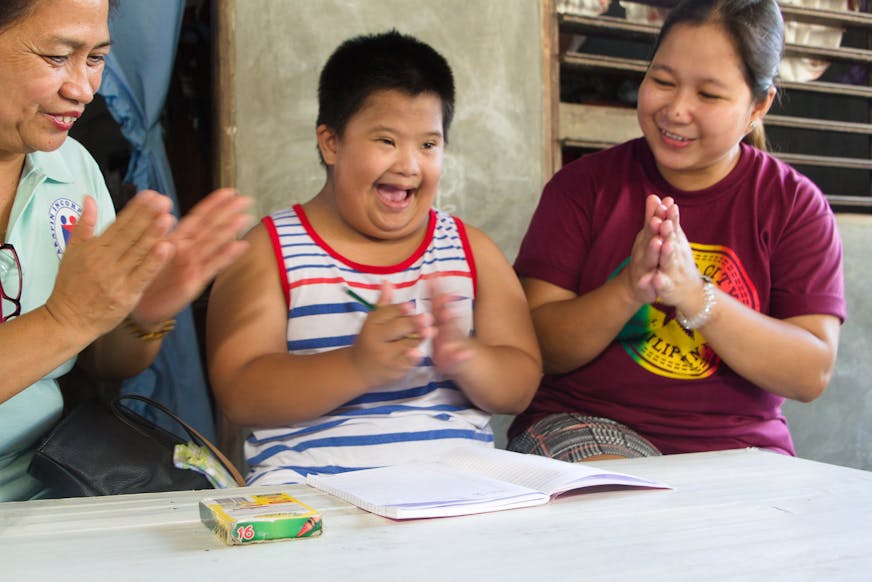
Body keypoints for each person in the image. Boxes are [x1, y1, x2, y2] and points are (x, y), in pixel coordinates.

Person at [507, 0, 845, 462]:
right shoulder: (582, 187)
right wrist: (629, 288)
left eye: (708, 95)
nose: (677, 110)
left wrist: (694, 294)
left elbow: (810, 374)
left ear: (758, 105)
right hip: (588, 424)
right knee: (637, 517)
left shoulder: (794, 205)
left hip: (740, 447)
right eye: (662, 81)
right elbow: (538, 348)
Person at [206, 30, 542, 485]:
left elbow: (520, 387)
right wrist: (356, 366)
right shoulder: (269, 251)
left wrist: (465, 356)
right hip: (315, 493)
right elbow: (240, 394)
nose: (409, 164)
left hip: (458, 491)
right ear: (331, 143)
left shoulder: (471, 251)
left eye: (428, 144)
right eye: (386, 140)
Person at [0, 0, 252, 502]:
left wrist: (144, 310)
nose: (83, 89)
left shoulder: (70, 168)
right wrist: (66, 317)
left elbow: (105, 363)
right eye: (56, 57)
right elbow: (71, 324)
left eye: (95, 59)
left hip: (46, 486)